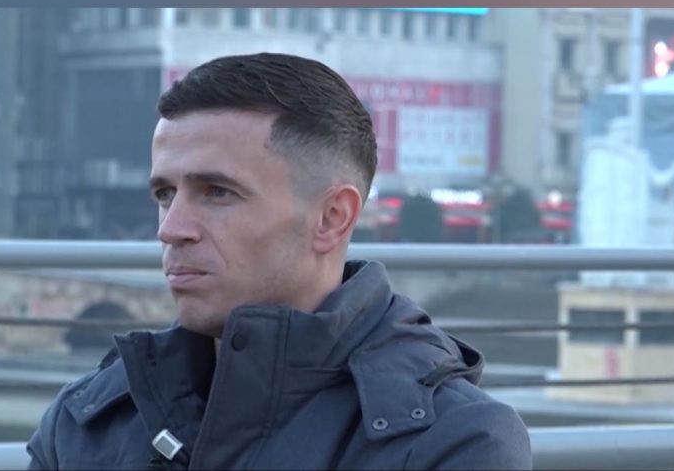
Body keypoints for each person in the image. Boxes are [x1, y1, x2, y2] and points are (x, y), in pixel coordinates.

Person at [27, 53, 532, 469]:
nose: (170, 228)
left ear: (332, 218)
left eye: (217, 192)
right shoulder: (87, 418)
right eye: (165, 193)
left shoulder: (452, 440)